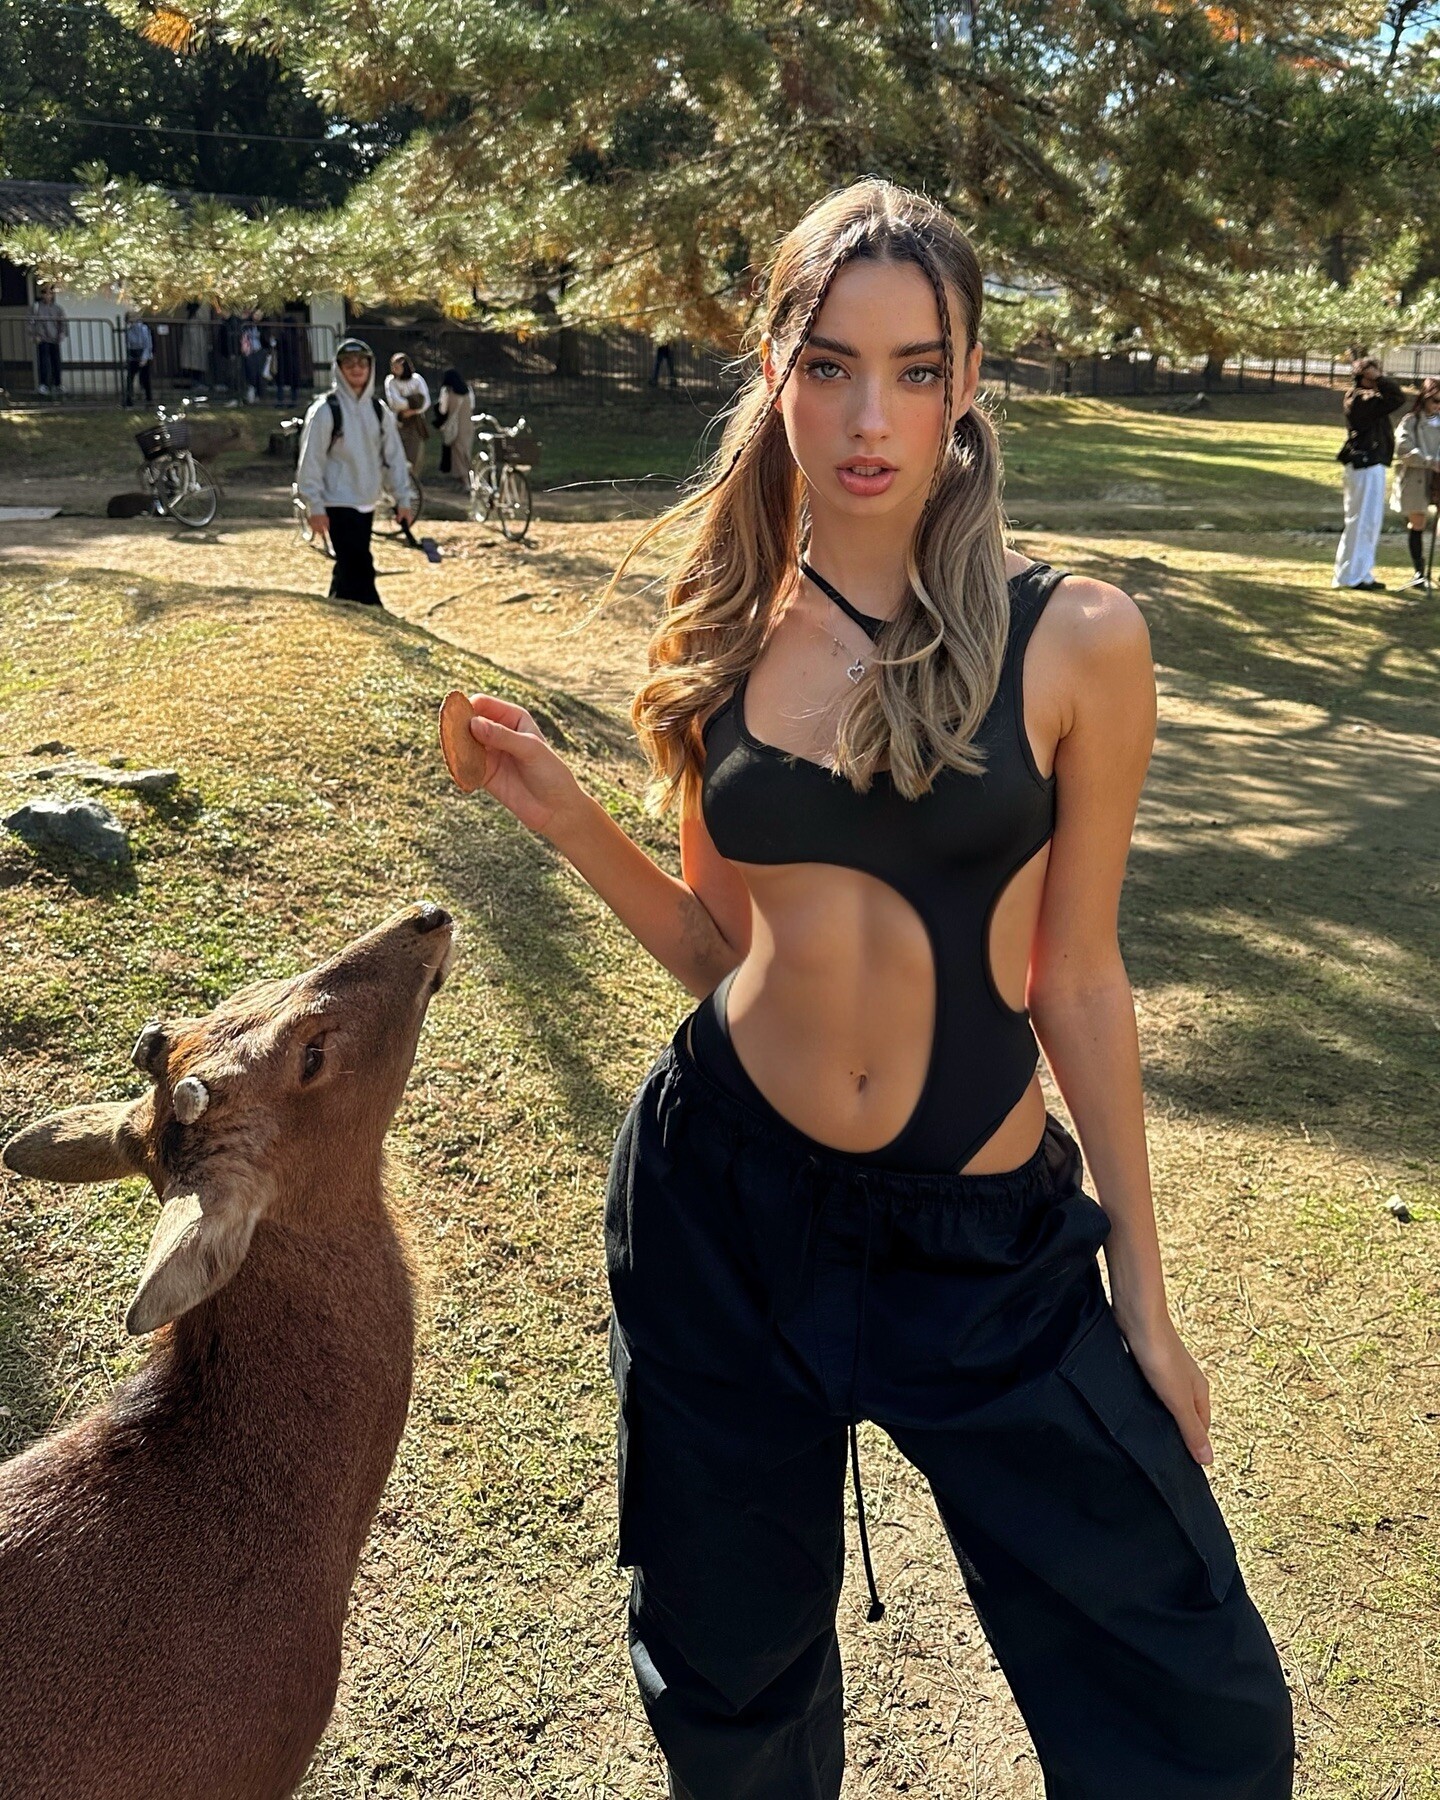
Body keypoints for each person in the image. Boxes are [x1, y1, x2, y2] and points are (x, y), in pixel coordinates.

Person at [455, 180, 1294, 1798]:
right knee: (730, 1691)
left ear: (968, 381)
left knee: (1196, 1710)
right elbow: (722, 951)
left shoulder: (1075, 639)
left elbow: (1077, 977)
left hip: (980, 1254)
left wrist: (1144, 1295)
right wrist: (565, 819)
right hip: (724, 1215)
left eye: (916, 370)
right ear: (775, 367)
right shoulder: (723, 628)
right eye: (831, 365)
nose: (869, 419)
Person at [294, 337, 415, 608]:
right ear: (338, 369)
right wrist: (314, 506)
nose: (356, 369)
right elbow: (311, 461)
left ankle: (337, 612)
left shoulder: (378, 410)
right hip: (336, 501)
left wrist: (403, 499)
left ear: (371, 367)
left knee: (349, 567)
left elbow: (394, 458)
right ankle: (374, 615)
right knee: (359, 566)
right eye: (349, 364)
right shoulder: (325, 411)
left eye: (362, 363)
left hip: (367, 501)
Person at [1333, 356, 1405, 591]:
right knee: (1360, 520)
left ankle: (1362, 572)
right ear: (1364, 376)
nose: (1377, 378)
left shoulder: (1370, 399)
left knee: (1370, 522)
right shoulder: (1359, 399)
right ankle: (1349, 575)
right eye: (1373, 374)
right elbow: (1397, 398)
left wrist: (1377, 379)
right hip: (1364, 464)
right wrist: (1379, 379)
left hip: (1373, 464)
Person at [1389, 376, 1440, 592]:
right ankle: (1419, 572)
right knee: (1417, 523)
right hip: (1417, 477)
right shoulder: (1411, 421)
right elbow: (1402, 448)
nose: (1438, 406)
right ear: (1425, 398)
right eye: (1436, 400)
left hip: (1438, 478)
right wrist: (1429, 461)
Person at [384, 353, 430, 481]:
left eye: (397, 367)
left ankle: (413, 483)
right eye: (393, 367)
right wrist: (414, 401)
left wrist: (413, 411)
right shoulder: (391, 381)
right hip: (399, 423)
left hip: (415, 423)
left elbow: (425, 402)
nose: (394, 369)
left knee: (414, 455)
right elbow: (395, 402)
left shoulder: (417, 380)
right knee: (398, 455)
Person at [436, 368, 474, 486]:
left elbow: (443, 409)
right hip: (467, 424)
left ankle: (464, 480)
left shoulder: (447, 391)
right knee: (466, 451)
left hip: (455, 425)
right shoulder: (468, 389)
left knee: (457, 453)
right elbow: (472, 406)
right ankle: (470, 477)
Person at [29, 285, 67, 396]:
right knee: (44, 362)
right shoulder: (36, 307)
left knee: (56, 362)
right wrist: (34, 335)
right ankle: (44, 384)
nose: (47, 295)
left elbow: (62, 322)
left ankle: (57, 384)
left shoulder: (58, 308)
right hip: (42, 338)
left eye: (50, 293)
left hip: (54, 338)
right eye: (45, 293)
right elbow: (30, 322)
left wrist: (62, 334)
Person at [123, 313, 154, 407]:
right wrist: (129, 357)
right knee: (130, 378)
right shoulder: (129, 330)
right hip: (133, 354)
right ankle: (129, 399)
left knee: (145, 378)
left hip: (143, 353)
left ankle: (149, 399)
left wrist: (144, 358)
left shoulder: (143, 328)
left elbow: (147, 344)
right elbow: (128, 345)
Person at [239, 309, 269, 405]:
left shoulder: (263, 326)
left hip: (259, 350)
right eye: (256, 314)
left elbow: (265, 338)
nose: (258, 317)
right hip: (249, 351)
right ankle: (251, 394)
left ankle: (259, 395)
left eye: (260, 315)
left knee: (260, 374)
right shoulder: (247, 325)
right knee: (251, 373)